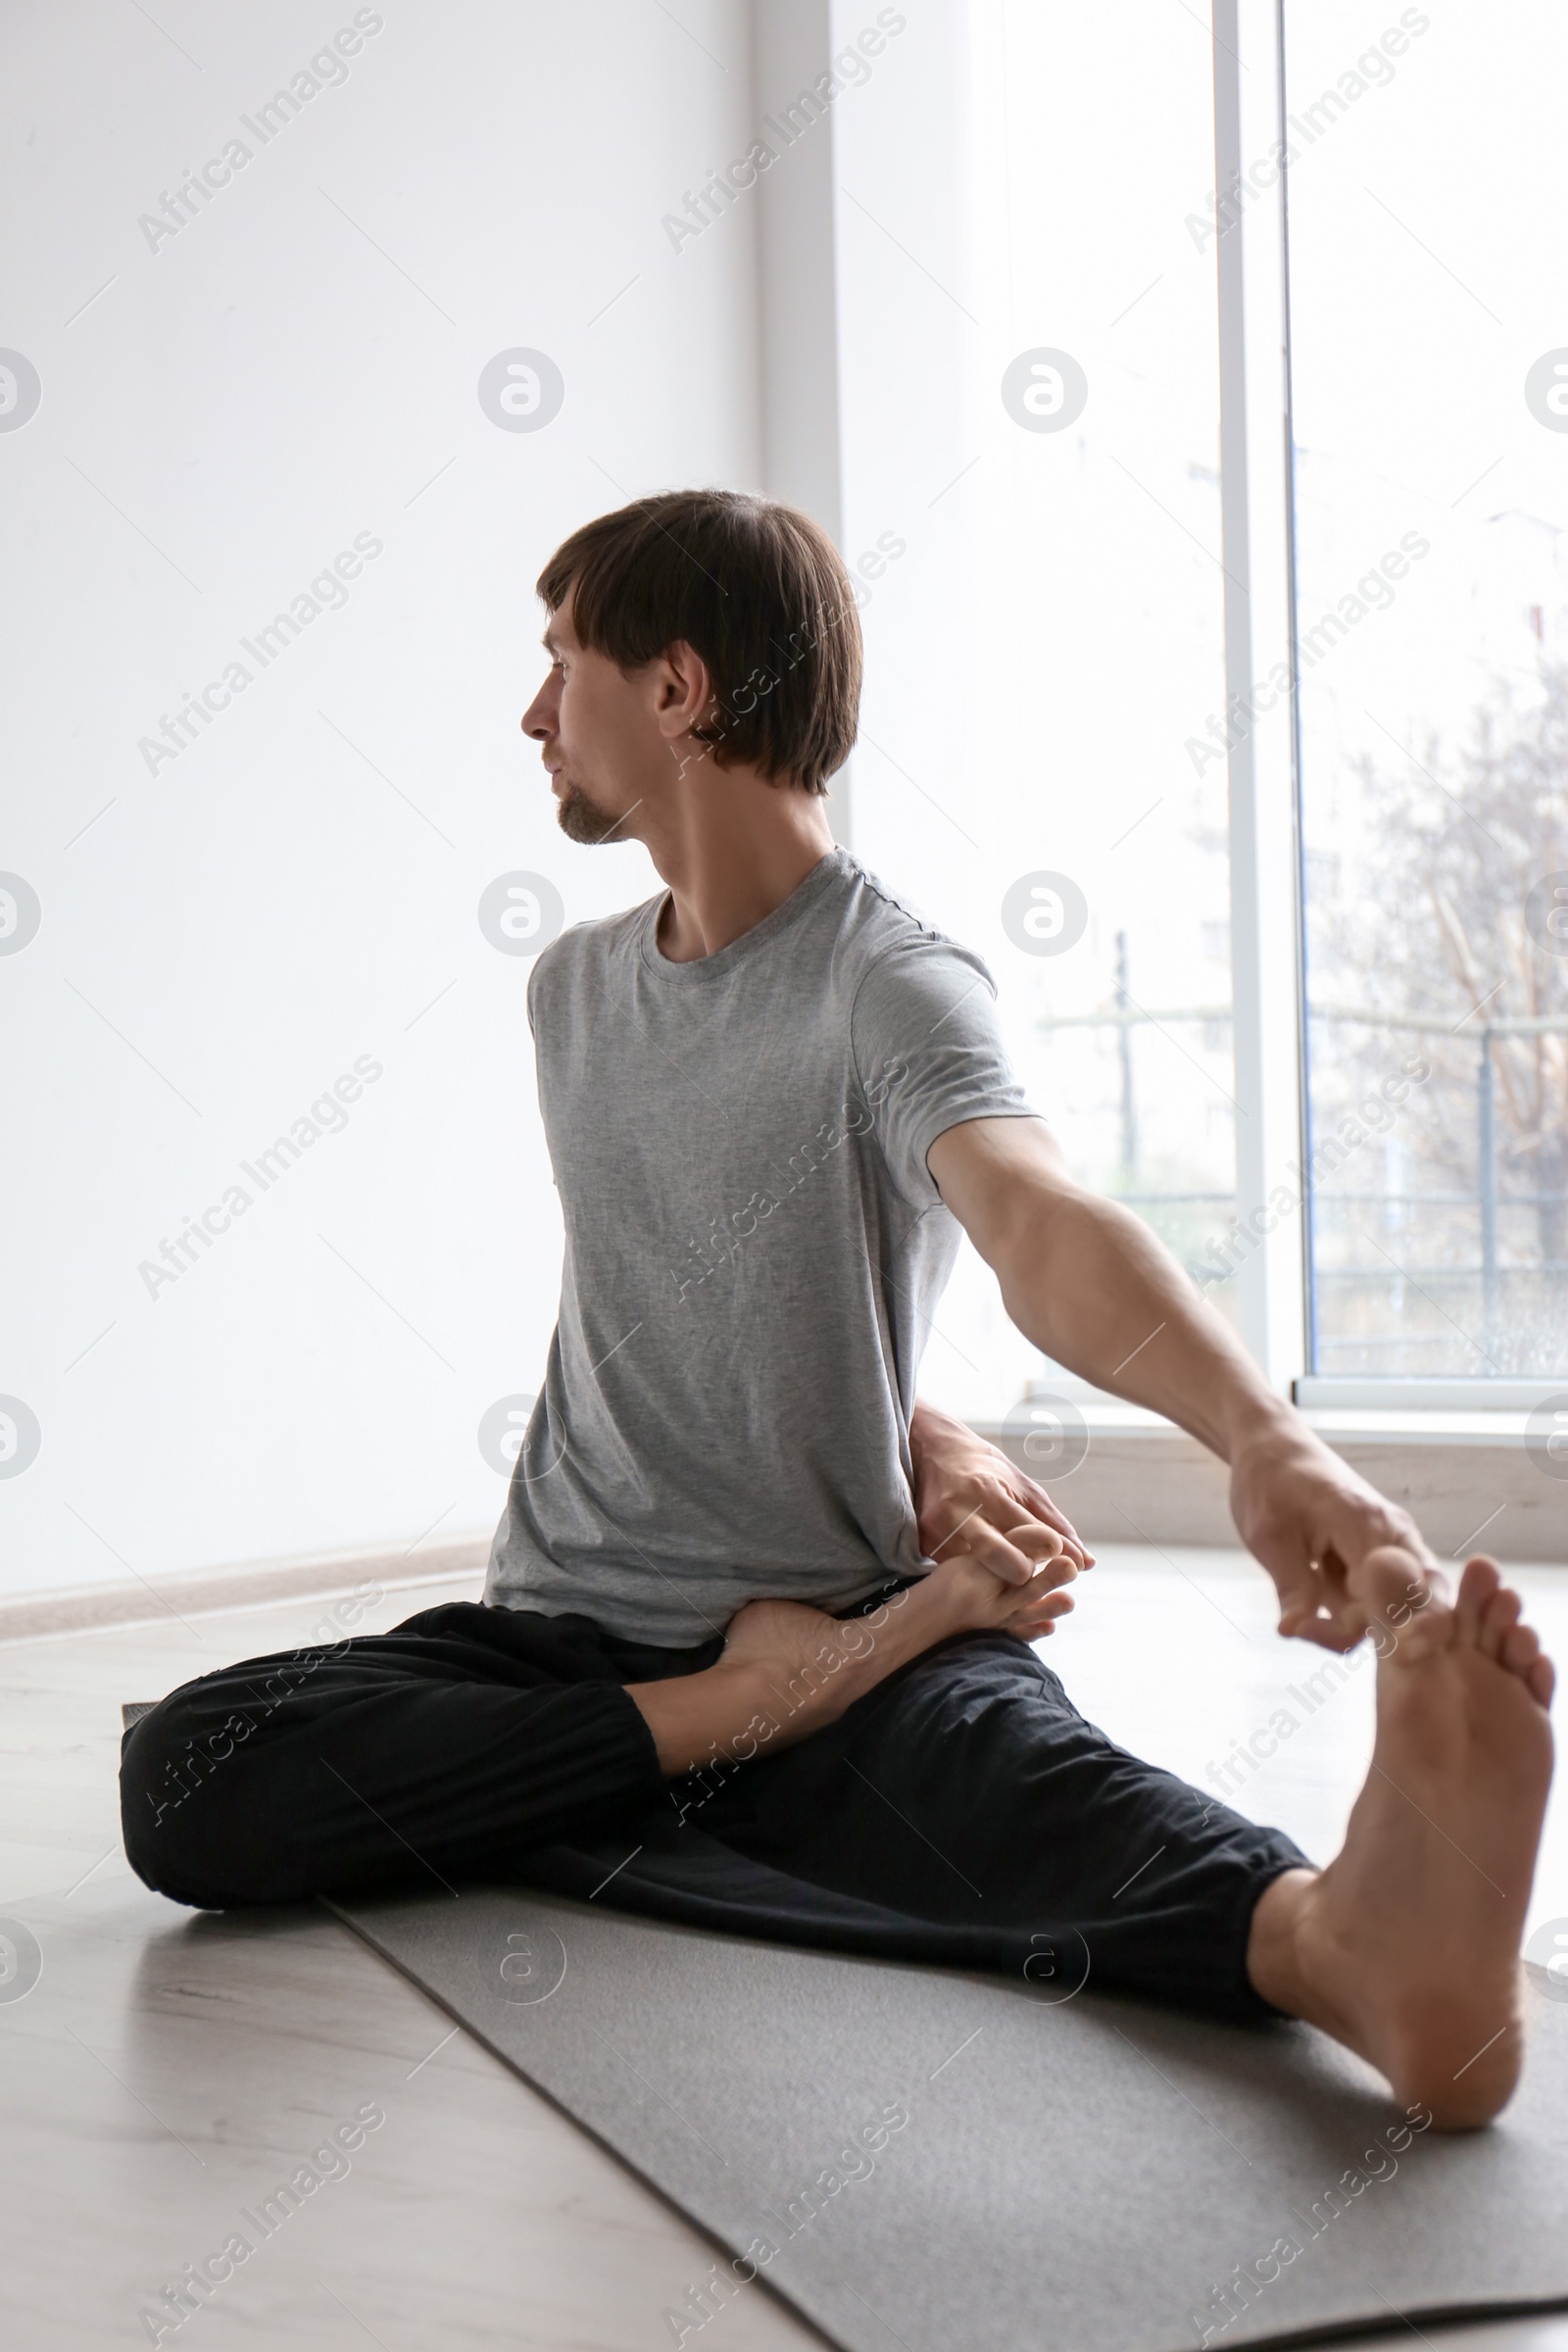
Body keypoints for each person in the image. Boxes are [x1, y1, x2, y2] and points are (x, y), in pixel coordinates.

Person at [122, 490, 1554, 2130]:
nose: (532, 714)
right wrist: (921, 1432)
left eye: (559, 662)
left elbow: (1038, 1219)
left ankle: (1360, 1944)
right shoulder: (572, 989)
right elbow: (689, 1282)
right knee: (187, 1773)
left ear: (675, 690)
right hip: (568, 1637)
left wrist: (1264, 1439)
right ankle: (736, 1708)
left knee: (1038, 1801)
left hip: (849, 1639)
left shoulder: (894, 981)